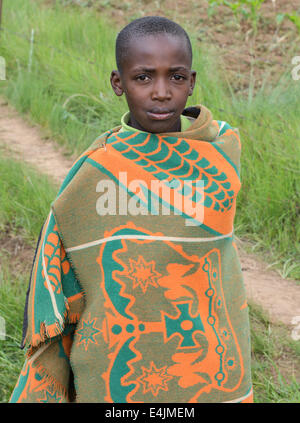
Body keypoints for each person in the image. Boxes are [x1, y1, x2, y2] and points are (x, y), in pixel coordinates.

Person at [10, 16, 253, 403]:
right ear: (118, 83)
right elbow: (61, 251)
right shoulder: (99, 169)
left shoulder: (221, 154)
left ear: (191, 82)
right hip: (116, 356)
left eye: (175, 77)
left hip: (208, 351)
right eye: (143, 78)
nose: (161, 92)